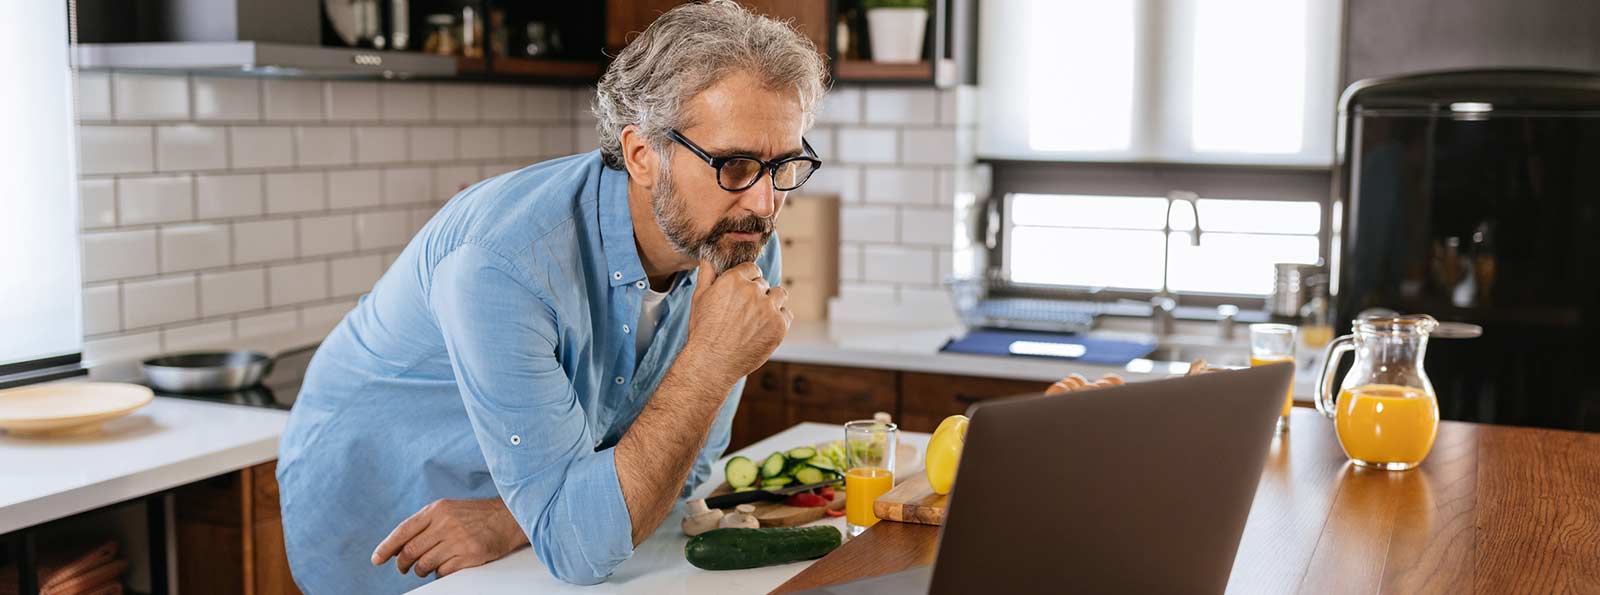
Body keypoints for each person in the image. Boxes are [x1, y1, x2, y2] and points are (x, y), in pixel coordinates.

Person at [274, 2, 828, 591]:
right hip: (390, 514)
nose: (766, 204)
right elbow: (579, 550)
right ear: (643, 155)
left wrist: (521, 519)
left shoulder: (738, 240)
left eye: (785, 165)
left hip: (533, 523)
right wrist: (710, 363)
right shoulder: (504, 263)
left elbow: (685, 471)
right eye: (736, 165)